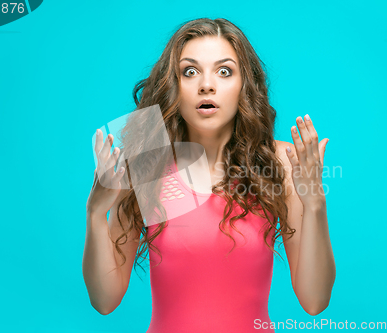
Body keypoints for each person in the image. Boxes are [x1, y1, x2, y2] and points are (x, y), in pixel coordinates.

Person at [83, 18, 336, 332]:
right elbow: (104, 300)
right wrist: (95, 213)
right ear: (173, 85)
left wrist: (314, 204)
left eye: (224, 71)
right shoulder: (148, 164)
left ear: (245, 84)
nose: (206, 84)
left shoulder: (279, 162)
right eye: (190, 71)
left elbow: (315, 301)